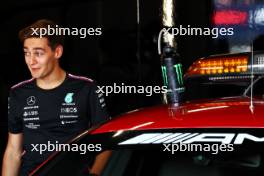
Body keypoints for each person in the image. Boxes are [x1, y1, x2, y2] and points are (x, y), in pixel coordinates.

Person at [2, 19, 110, 176]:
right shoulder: (18, 93)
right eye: (27, 53)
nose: (31, 61)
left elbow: (106, 139)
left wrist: (94, 174)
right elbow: (13, 150)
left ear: (57, 52)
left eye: (38, 53)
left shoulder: (86, 88)